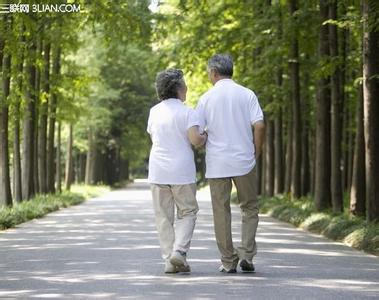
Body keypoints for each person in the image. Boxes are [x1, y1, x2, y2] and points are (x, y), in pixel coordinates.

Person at [196, 54, 265, 273]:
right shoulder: (247, 94)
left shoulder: (206, 98)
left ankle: (228, 260)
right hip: (244, 160)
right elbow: (260, 125)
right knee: (250, 207)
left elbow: (198, 134)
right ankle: (247, 254)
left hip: (217, 163)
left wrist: (205, 138)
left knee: (221, 210)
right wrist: (257, 151)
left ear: (214, 73)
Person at [147, 68, 207, 274]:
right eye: (184, 85)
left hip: (158, 171)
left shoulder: (154, 112)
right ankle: (179, 251)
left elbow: (154, 136)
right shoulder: (188, 112)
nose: (187, 88)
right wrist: (204, 136)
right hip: (181, 171)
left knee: (163, 216)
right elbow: (195, 140)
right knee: (188, 212)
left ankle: (168, 261)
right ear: (179, 88)